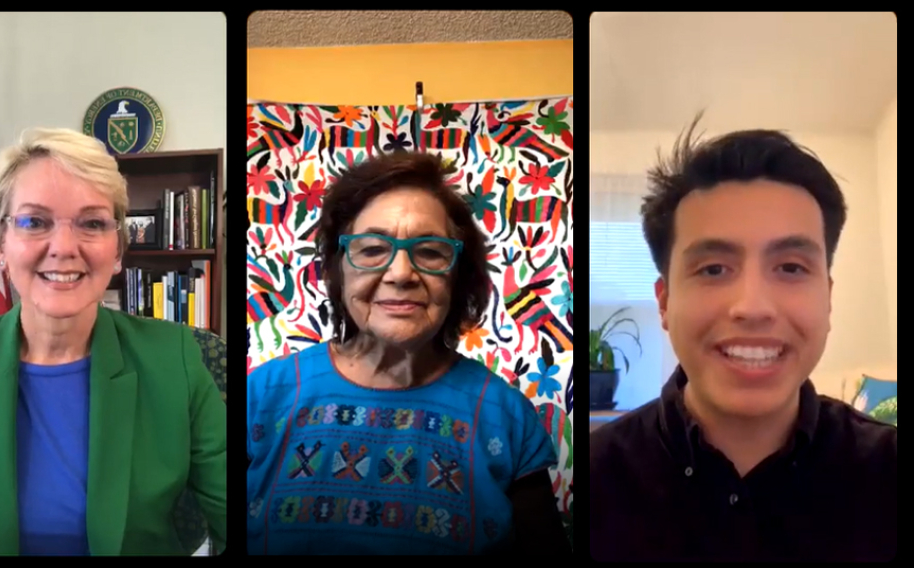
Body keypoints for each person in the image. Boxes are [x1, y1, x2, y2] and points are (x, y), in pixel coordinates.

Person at [589, 115, 897, 561]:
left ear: (827, 298)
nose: (752, 307)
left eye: (791, 268)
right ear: (664, 302)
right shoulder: (594, 478)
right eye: (713, 269)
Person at [0, 128, 228, 555]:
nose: (64, 247)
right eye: (34, 222)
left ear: (118, 248)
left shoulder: (177, 360)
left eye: (93, 223)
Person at [245, 151, 568, 555]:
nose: (400, 274)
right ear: (335, 268)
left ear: (458, 276)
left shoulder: (505, 416)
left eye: (431, 251)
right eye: (372, 248)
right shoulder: (261, 396)